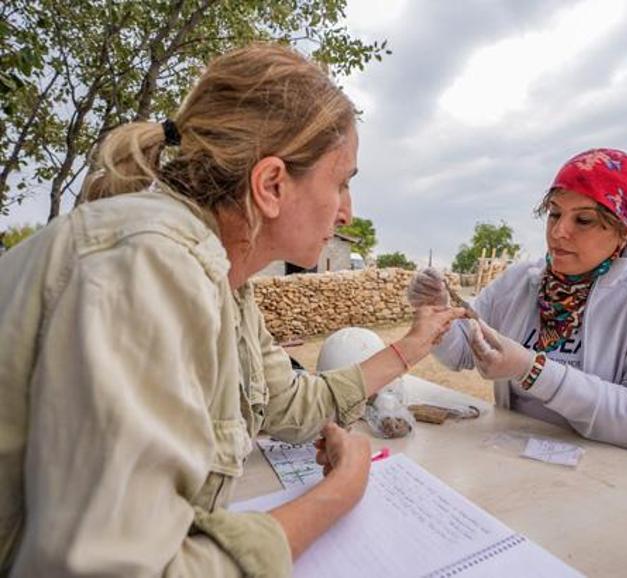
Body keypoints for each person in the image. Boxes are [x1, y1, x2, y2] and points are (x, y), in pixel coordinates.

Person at [0, 43, 465, 577]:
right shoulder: (152, 266)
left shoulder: (224, 280)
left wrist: (411, 345)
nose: (347, 211)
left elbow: (289, 404)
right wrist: (336, 496)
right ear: (271, 185)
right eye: (340, 182)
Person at [408, 148, 627, 477]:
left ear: (625, 230)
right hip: (533, 463)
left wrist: (533, 371)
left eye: (583, 220)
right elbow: (461, 353)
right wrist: (436, 309)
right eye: (555, 214)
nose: (559, 232)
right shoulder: (521, 282)